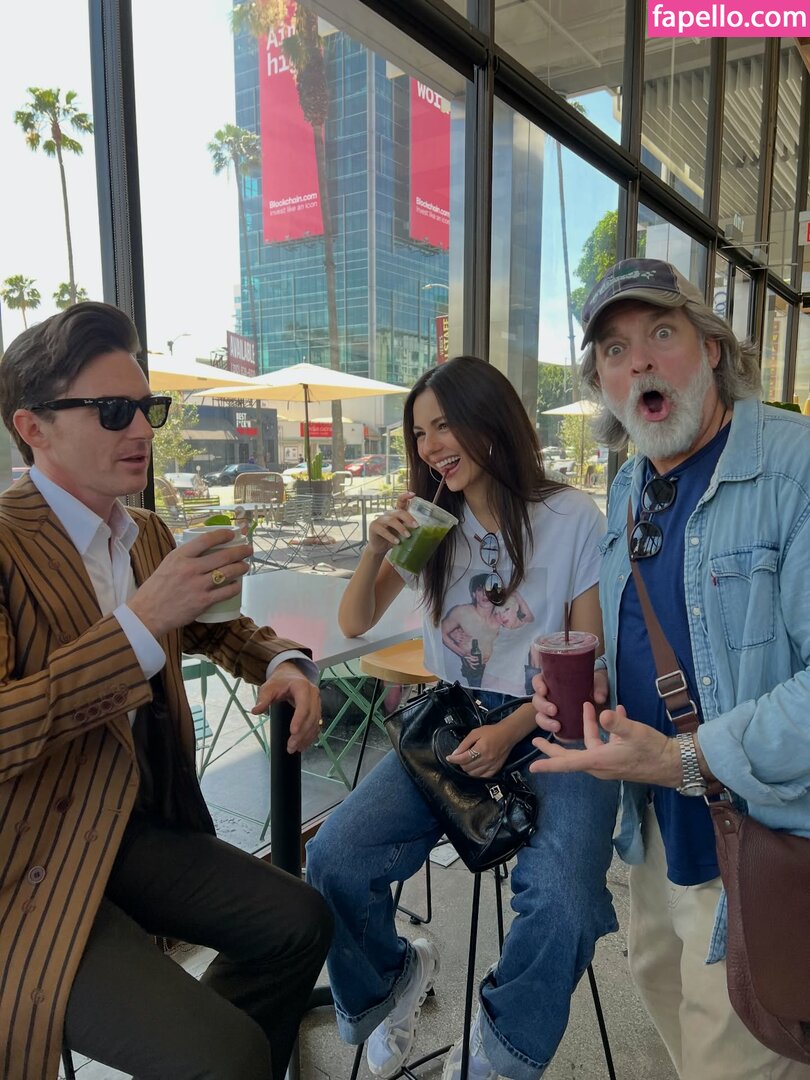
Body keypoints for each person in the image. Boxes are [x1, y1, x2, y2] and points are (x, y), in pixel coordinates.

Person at [0, 303, 333, 1080]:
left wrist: (282, 662)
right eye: (112, 411)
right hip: (30, 859)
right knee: (228, 1056)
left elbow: (217, 627)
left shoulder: (144, 533)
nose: (142, 431)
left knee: (301, 920)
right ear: (33, 427)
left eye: (147, 408)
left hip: (133, 829)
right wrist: (142, 621)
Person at [530, 258, 810, 1080]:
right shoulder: (628, 489)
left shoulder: (793, 467)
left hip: (761, 843)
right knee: (668, 1004)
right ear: (604, 384)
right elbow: (656, 636)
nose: (641, 362)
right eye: (615, 350)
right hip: (654, 837)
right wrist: (597, 690)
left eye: (662, 333)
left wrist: (688, 758)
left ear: (712, 348)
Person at [306, 356, 619, 1080]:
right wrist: (375, 550)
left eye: (444, 425)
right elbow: (354, 619)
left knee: (564, 899)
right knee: (333, 857)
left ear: (492, 420)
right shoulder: (432, 524)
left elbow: (588, 659)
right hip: (451, 724)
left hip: (558, 721)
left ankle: (499, 1048)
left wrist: (512, 729)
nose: (431, 447)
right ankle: (393, 979)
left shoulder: (571, 517)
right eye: (419, 434)